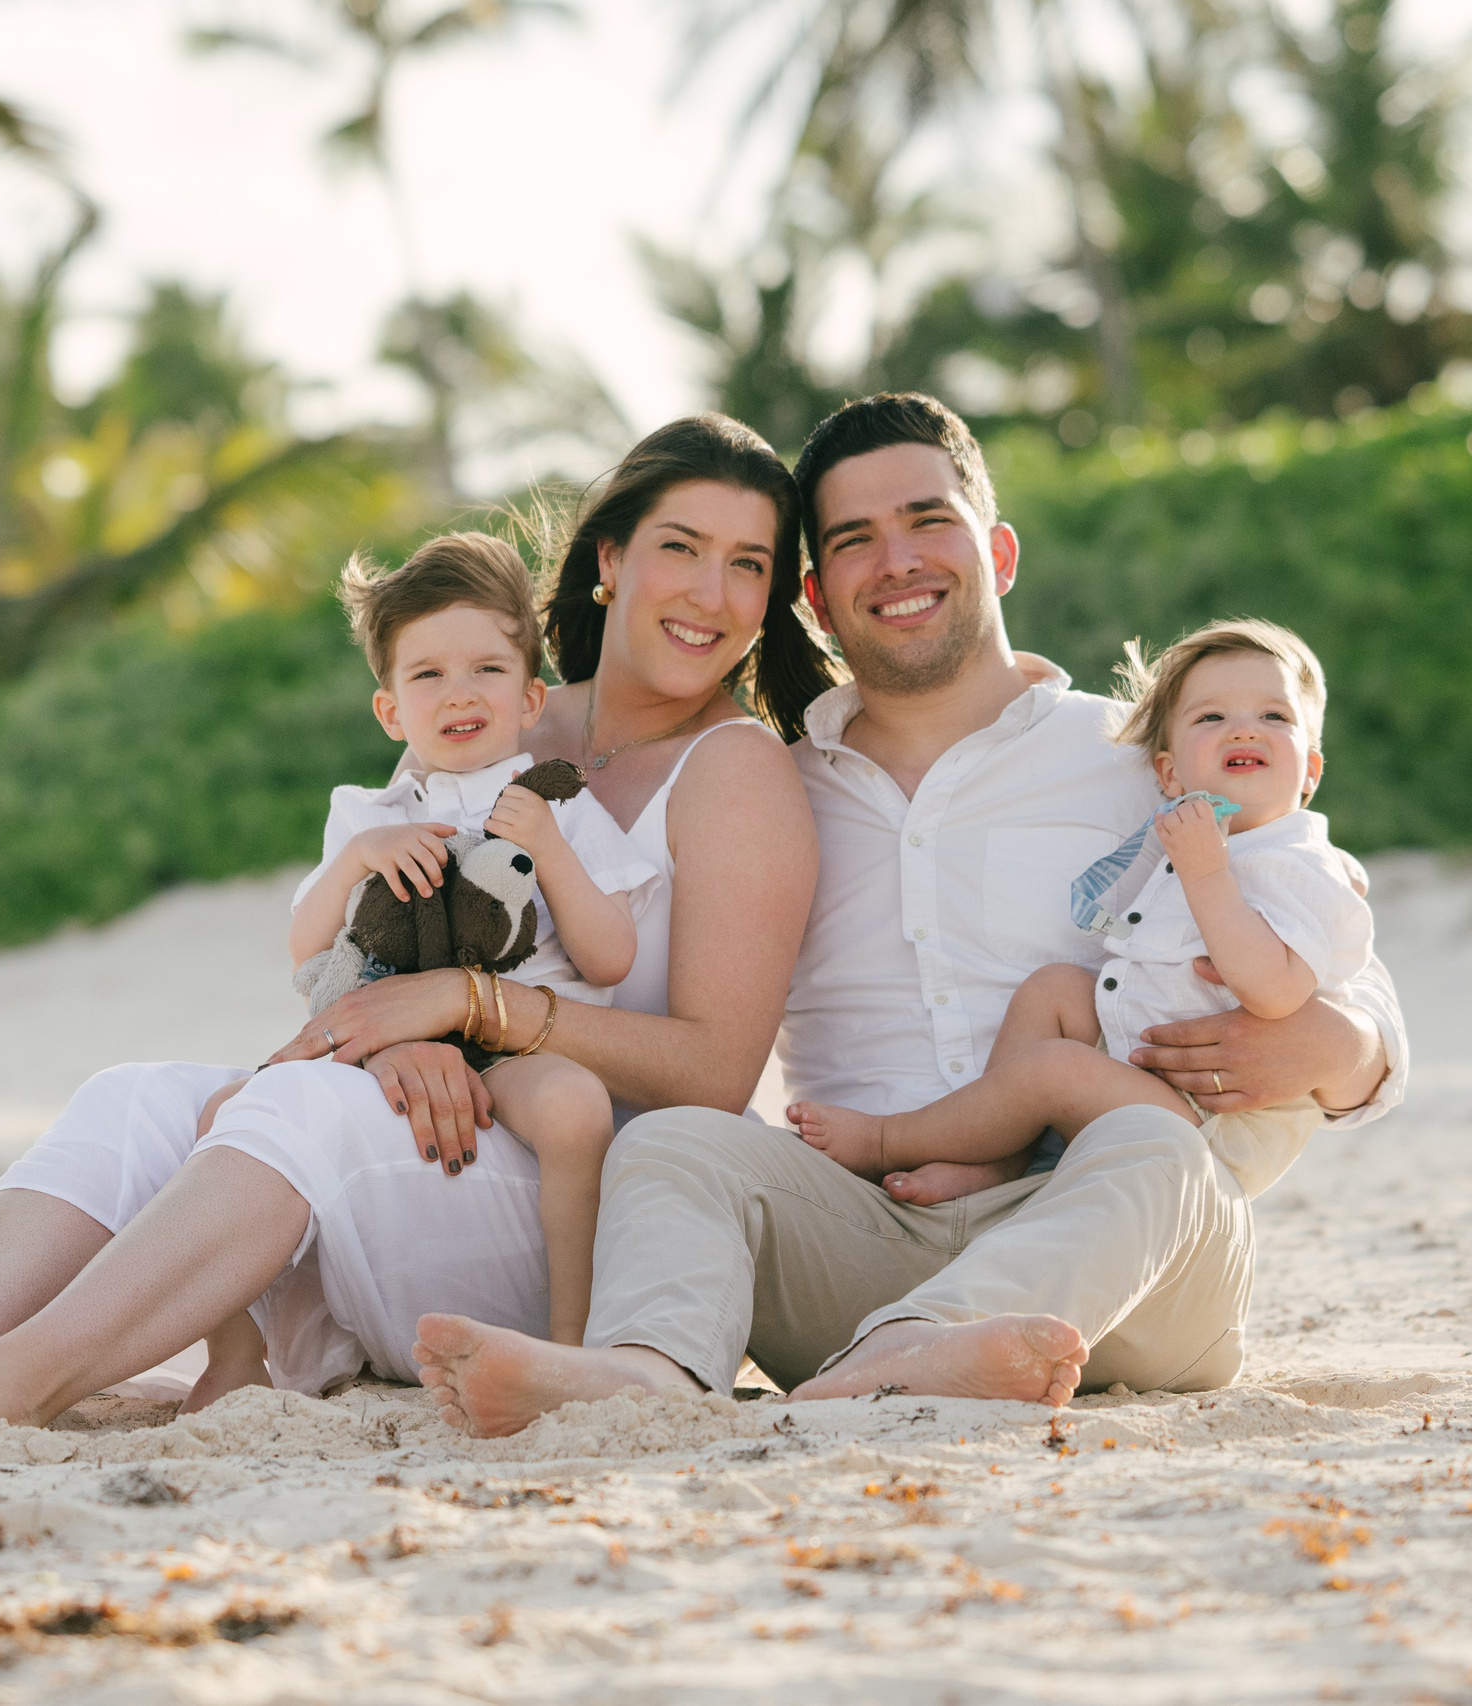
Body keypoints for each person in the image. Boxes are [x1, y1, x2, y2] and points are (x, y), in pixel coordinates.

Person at [0, 413, 831, 1448]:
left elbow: (716, 1069)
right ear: (609, 560)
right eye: (681, 547)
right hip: (443, 1137)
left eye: (748, 563)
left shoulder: (735, 768)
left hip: (575, 1199)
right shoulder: (495, 703)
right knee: (139, 1098)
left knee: (302, 1108)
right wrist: (398, 1036)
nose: (709, 591)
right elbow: (382, 934)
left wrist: (475, 1009)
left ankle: (1, 1384)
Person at [412, 393, 1408, 1437]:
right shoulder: (765, 785)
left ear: (999, 551)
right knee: (674, 1144)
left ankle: (933, 1341)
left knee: (1159, 1150)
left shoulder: (1133, 759)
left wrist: (1343, 1041)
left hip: (1116, 1252)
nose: (896, 559)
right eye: (853, 540)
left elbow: (1322, 912)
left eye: (928, 521)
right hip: (856, 1235)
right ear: (816, 595)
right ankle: (647, 1373)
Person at [187, 532, 658, 1396]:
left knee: (577, 1106)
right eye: (428, 675)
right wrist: (361, 858)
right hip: (390, 1037)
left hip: (520, 1043)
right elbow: (306, 948)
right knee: (225, 1108)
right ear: (391, 712)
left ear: (529, 697)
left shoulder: (557, 802)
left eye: (485, 669)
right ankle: (233, 1353)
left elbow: (611, 955)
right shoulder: (369, 811)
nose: (459, 693)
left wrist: (549, 850)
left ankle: (570, 1339)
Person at [789, 617, 1371, 1202]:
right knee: (1054, 990)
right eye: (1212, 717)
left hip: (1218, 1118)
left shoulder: (1301, 863)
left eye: (1275, 716)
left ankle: (890, 1140)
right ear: (1168, 774)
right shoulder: (1194, 832)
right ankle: (996, 1159)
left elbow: (1275, 992)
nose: (1244, 730)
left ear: (1311, 773)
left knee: (1055, 1071)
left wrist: (1207, 871)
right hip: (1147, 1064)